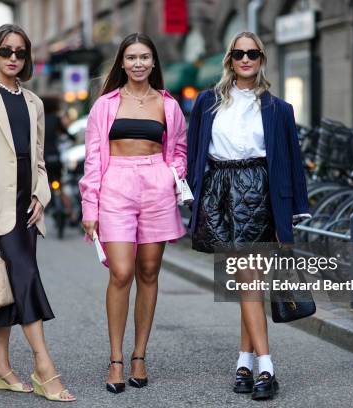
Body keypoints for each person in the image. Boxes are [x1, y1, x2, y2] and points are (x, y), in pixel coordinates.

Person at [186, 31, 310, 400]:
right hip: (221, 191)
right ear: (229, 58)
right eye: (239, 53)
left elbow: (291, 162)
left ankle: (261, 367)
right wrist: (192, 197)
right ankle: (246, 363)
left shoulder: (279, 109)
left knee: (248, 281)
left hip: (259, 190)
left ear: (261, 59)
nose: (245, 59)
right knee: (248, 282)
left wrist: (294, 212)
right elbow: (195, 154)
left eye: (252, 53)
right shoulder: (207, 102)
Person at [0, 24, 75, 402]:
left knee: (8, 283)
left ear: (26, 59)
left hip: (27, 203)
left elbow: (38, 159)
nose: (12, 58)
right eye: (6, 51)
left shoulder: (34, 103)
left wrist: (42, 195)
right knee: (24, 276)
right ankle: (44, 367)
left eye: (20, 52)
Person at [79, 32, 187, 394]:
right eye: (131, 58)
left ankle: (139, 354)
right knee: (121, 271)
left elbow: (180, 150)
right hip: (115, 186)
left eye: (144, 57)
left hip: (156, 186)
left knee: (149, 271)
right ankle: (116, 359)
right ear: (121, 63)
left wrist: (171, 175)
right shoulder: (105, 105)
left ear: (154, 62)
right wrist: (89, 206)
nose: (138, 63)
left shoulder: (168, 105)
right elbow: (93, 159)